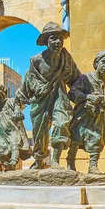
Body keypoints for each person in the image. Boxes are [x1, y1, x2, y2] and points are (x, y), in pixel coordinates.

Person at [14, 22, 81, 170]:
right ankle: (39, 160)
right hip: (41, 100)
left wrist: (86, 93)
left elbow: (76, 79)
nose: (58, 42)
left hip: (59, 96)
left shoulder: (66, 58)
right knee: (40, 132)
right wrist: (18, 103)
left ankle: (55, 160)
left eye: (60, 38)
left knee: (62, 123)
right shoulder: (36, 60)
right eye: (53, 38)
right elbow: (28, 82)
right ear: (46, 41)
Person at [67, 50, 105, 174]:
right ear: (96, 62)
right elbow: (72, 93)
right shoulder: (85, 78)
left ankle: (93, 166)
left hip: (99, 117)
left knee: (97, 140)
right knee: (76, 138)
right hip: (83, 115)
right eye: (103, 62)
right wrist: (88, 97)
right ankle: (70, 162)